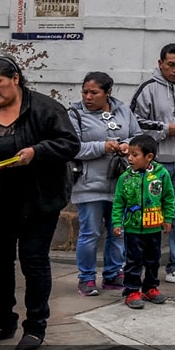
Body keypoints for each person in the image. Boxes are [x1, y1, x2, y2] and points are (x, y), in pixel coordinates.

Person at [0, 55, 80, 350]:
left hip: (40, 200)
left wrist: (36, 152)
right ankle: (2, 322)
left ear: (15, 78)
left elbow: (70, 144)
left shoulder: (46, 108)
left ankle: (35, 327)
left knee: (33, 261)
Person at [130, 43, 175, 286]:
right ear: (160, 63)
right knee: (148, 215)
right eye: (170, 64)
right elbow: (135, 125)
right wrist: (165, 129)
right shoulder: (148, 89)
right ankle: (140, 265)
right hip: (155, 165)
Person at [69, 71, 142, 296]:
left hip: (120, 184)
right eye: (85, 92)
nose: (88, 97)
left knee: (117, 231)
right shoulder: (74, 114)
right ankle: (87, 278)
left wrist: (126, 145)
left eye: (94, 92)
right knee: (90, 233)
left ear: (108, 93)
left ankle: (113, 274)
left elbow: (137, 136)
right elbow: (72, 147)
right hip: (89, 184)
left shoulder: (123, 110)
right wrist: (103, 146)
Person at [112, 136, 174, 309]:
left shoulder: (161, 174)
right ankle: (132, 291)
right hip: (133, 229)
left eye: (134, 154)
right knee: (133, 261)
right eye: (129, 154)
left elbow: (168, 197)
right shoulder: (125, 178)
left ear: (149, 157)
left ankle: (150, 288)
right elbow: (118, 202)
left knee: (153, 260)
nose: (129, 158)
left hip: (153, 228)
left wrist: (168, 218)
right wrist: (117, 223)